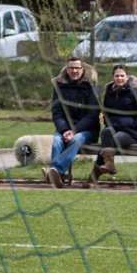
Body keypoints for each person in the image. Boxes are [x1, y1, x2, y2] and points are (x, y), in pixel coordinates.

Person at [44, 56, 100, 188]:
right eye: (72, 68)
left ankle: (55, 171)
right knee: (57, 141)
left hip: (86, 130)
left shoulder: (93, 88)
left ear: (82, 69)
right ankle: (58, 177)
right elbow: (57, 112)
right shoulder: (59, 87)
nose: (74, 71)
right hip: (65, 127)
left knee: (76, 139)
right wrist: (64, 130)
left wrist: (74, 130)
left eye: (77, 68)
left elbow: (92, 115)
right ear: (67, 70)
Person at [86, 64, 137, 184]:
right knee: (106, 132)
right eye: (117, 76)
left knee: (113, 140)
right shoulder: (109, 92)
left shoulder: (136, 92)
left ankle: (95, 174)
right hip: (113, 128)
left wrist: (133, 124)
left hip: (131, 132)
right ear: (113, 77)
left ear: (127, 76)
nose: (119, 78)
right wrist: (109, 122)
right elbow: (106, 112)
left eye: (122, 76)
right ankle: (109, 164)